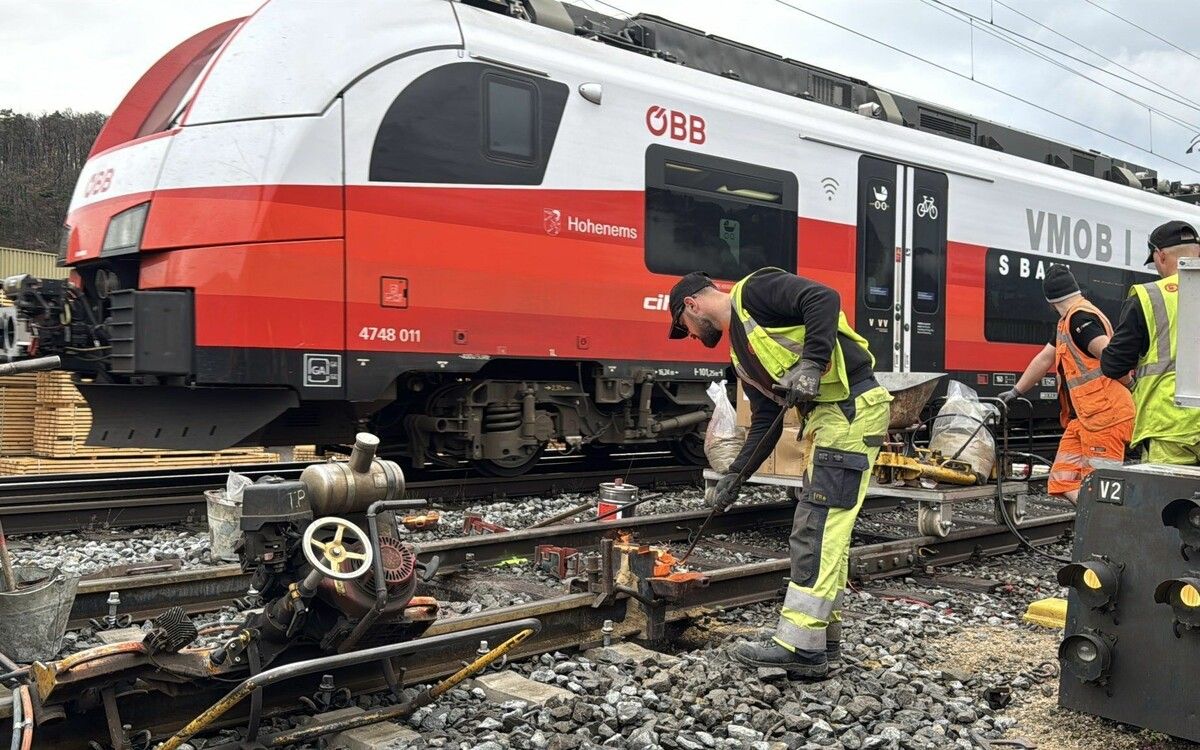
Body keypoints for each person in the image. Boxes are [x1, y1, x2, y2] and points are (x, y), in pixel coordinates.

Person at [667, 267, 892, 679]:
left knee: (816, 530)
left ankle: (800, 649)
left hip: (848, 412)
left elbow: (823, 297)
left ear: (692, 305)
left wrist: (811, 364)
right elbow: (766, 420)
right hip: (829, 420)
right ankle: (822, 639)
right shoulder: (742, 356)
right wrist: (735, 477)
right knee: (827, 532)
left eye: (685, 328)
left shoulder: (753, 291)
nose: (694, 337)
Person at [997, 266, 1133, 503]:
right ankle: (1095, 521)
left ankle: (1104, 529)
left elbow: (1111, 355)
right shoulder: (1067, 322)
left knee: (1102, 491)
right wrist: (1016, 391)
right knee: (1062, 480)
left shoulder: (1080, 320)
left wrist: (1129, 382)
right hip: (1083, 418)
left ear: (1050, 301)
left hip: (1105, 417)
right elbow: (1044, 358)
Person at [1101, 220, 1200, 465]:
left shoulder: (1150, 296)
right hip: (1175, 427)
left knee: (1172, 501)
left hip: (1170, 427)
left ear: (1161, 255)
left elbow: (1114, 364)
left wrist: (1133, 383)